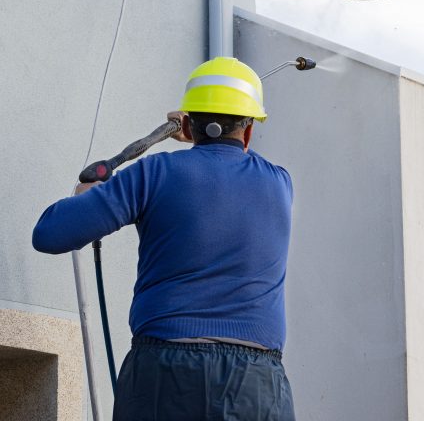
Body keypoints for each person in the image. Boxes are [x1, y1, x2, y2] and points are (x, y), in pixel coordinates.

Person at [33, 57, 296, 421]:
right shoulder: (280, 184)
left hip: (165, 372)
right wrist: (202, 135)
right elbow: (222, 168)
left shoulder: (153, 174)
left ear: (187, 123)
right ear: (249, 132)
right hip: (255, 383)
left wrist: (85, 196)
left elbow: (49, 234)